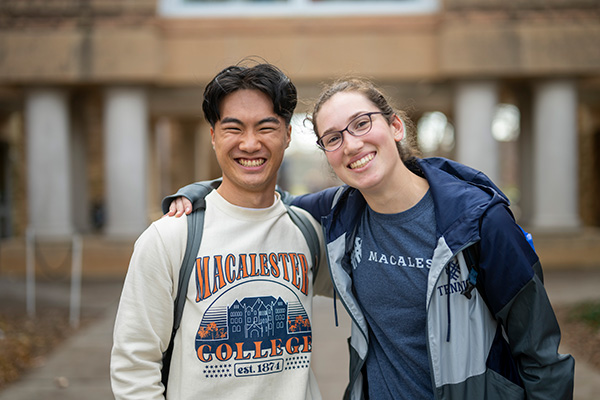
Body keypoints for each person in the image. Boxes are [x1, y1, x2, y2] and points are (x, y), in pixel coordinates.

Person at [166, 77, 575, 399]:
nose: (352, 144)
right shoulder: (338, 212)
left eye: (362, 123)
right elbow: (266, 199)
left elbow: (541, 356)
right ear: (327, 153)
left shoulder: (479, 222)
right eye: (333, 137)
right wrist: (199, 191)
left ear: (395, 125)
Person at [110, 62, 331, 400]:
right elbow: (134, 367)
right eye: (233, 128)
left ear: (287, 135)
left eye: (266, 127)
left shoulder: (307, 230)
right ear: (213, 136)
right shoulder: (170, 237)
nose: (250, 143)